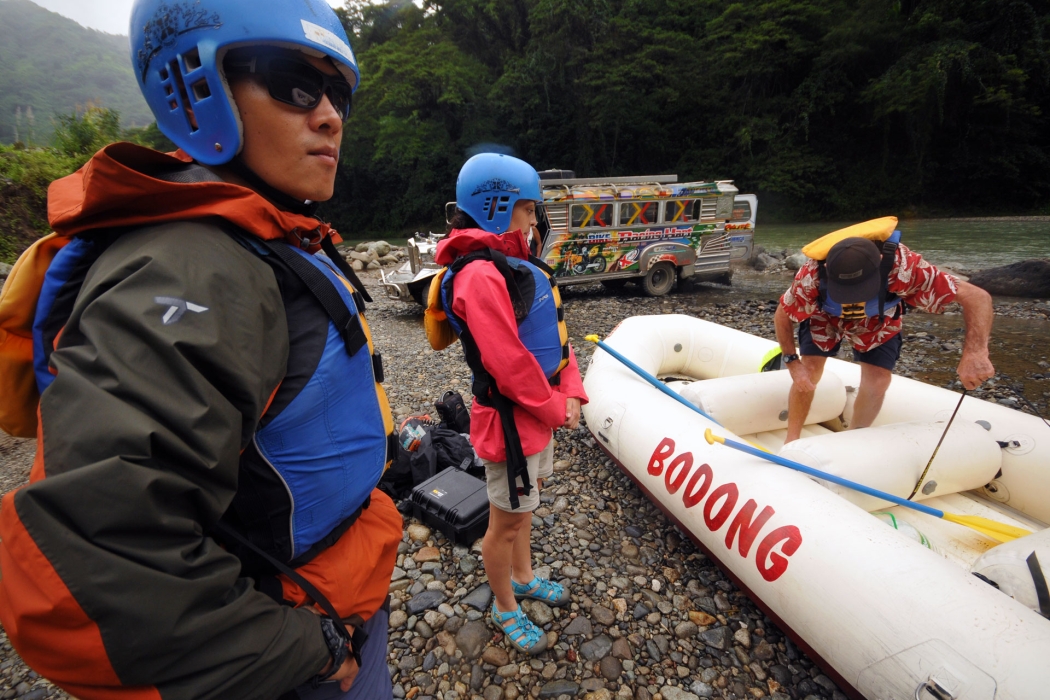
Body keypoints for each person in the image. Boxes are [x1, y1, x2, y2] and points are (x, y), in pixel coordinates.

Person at [0, 1, 402, 698]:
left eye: (336, 92)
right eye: (295, 85)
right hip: (292, 644)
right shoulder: (195, 269)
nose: (331, 115)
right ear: (196, 87)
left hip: (336, 596)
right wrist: (305, 651)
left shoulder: (268, 239)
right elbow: (94, 566)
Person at [433, 154, 588, 655]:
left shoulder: (516, 264)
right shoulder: (479, 276)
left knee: (525, 507)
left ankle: (522, 576)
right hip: (510, 424)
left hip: (537, 417)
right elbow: (507, 362)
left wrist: (573, 393)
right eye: (527, 208)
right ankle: (504, 606)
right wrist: (552, 407)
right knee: (504, 523)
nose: (532, 219)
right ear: (497, 206)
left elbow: (554, 339)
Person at [774, 227, 995, 443]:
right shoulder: (811, 275)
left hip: (878, 316)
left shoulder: (905, 267)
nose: (853, 297)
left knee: (878, 379)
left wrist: (975, 352)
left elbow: (977, 297)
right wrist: (793, 363)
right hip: (825, 314)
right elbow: (783, 314)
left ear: (880, 261)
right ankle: (792, 439)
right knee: (809, 369)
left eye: (859, 289)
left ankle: (852, 441)